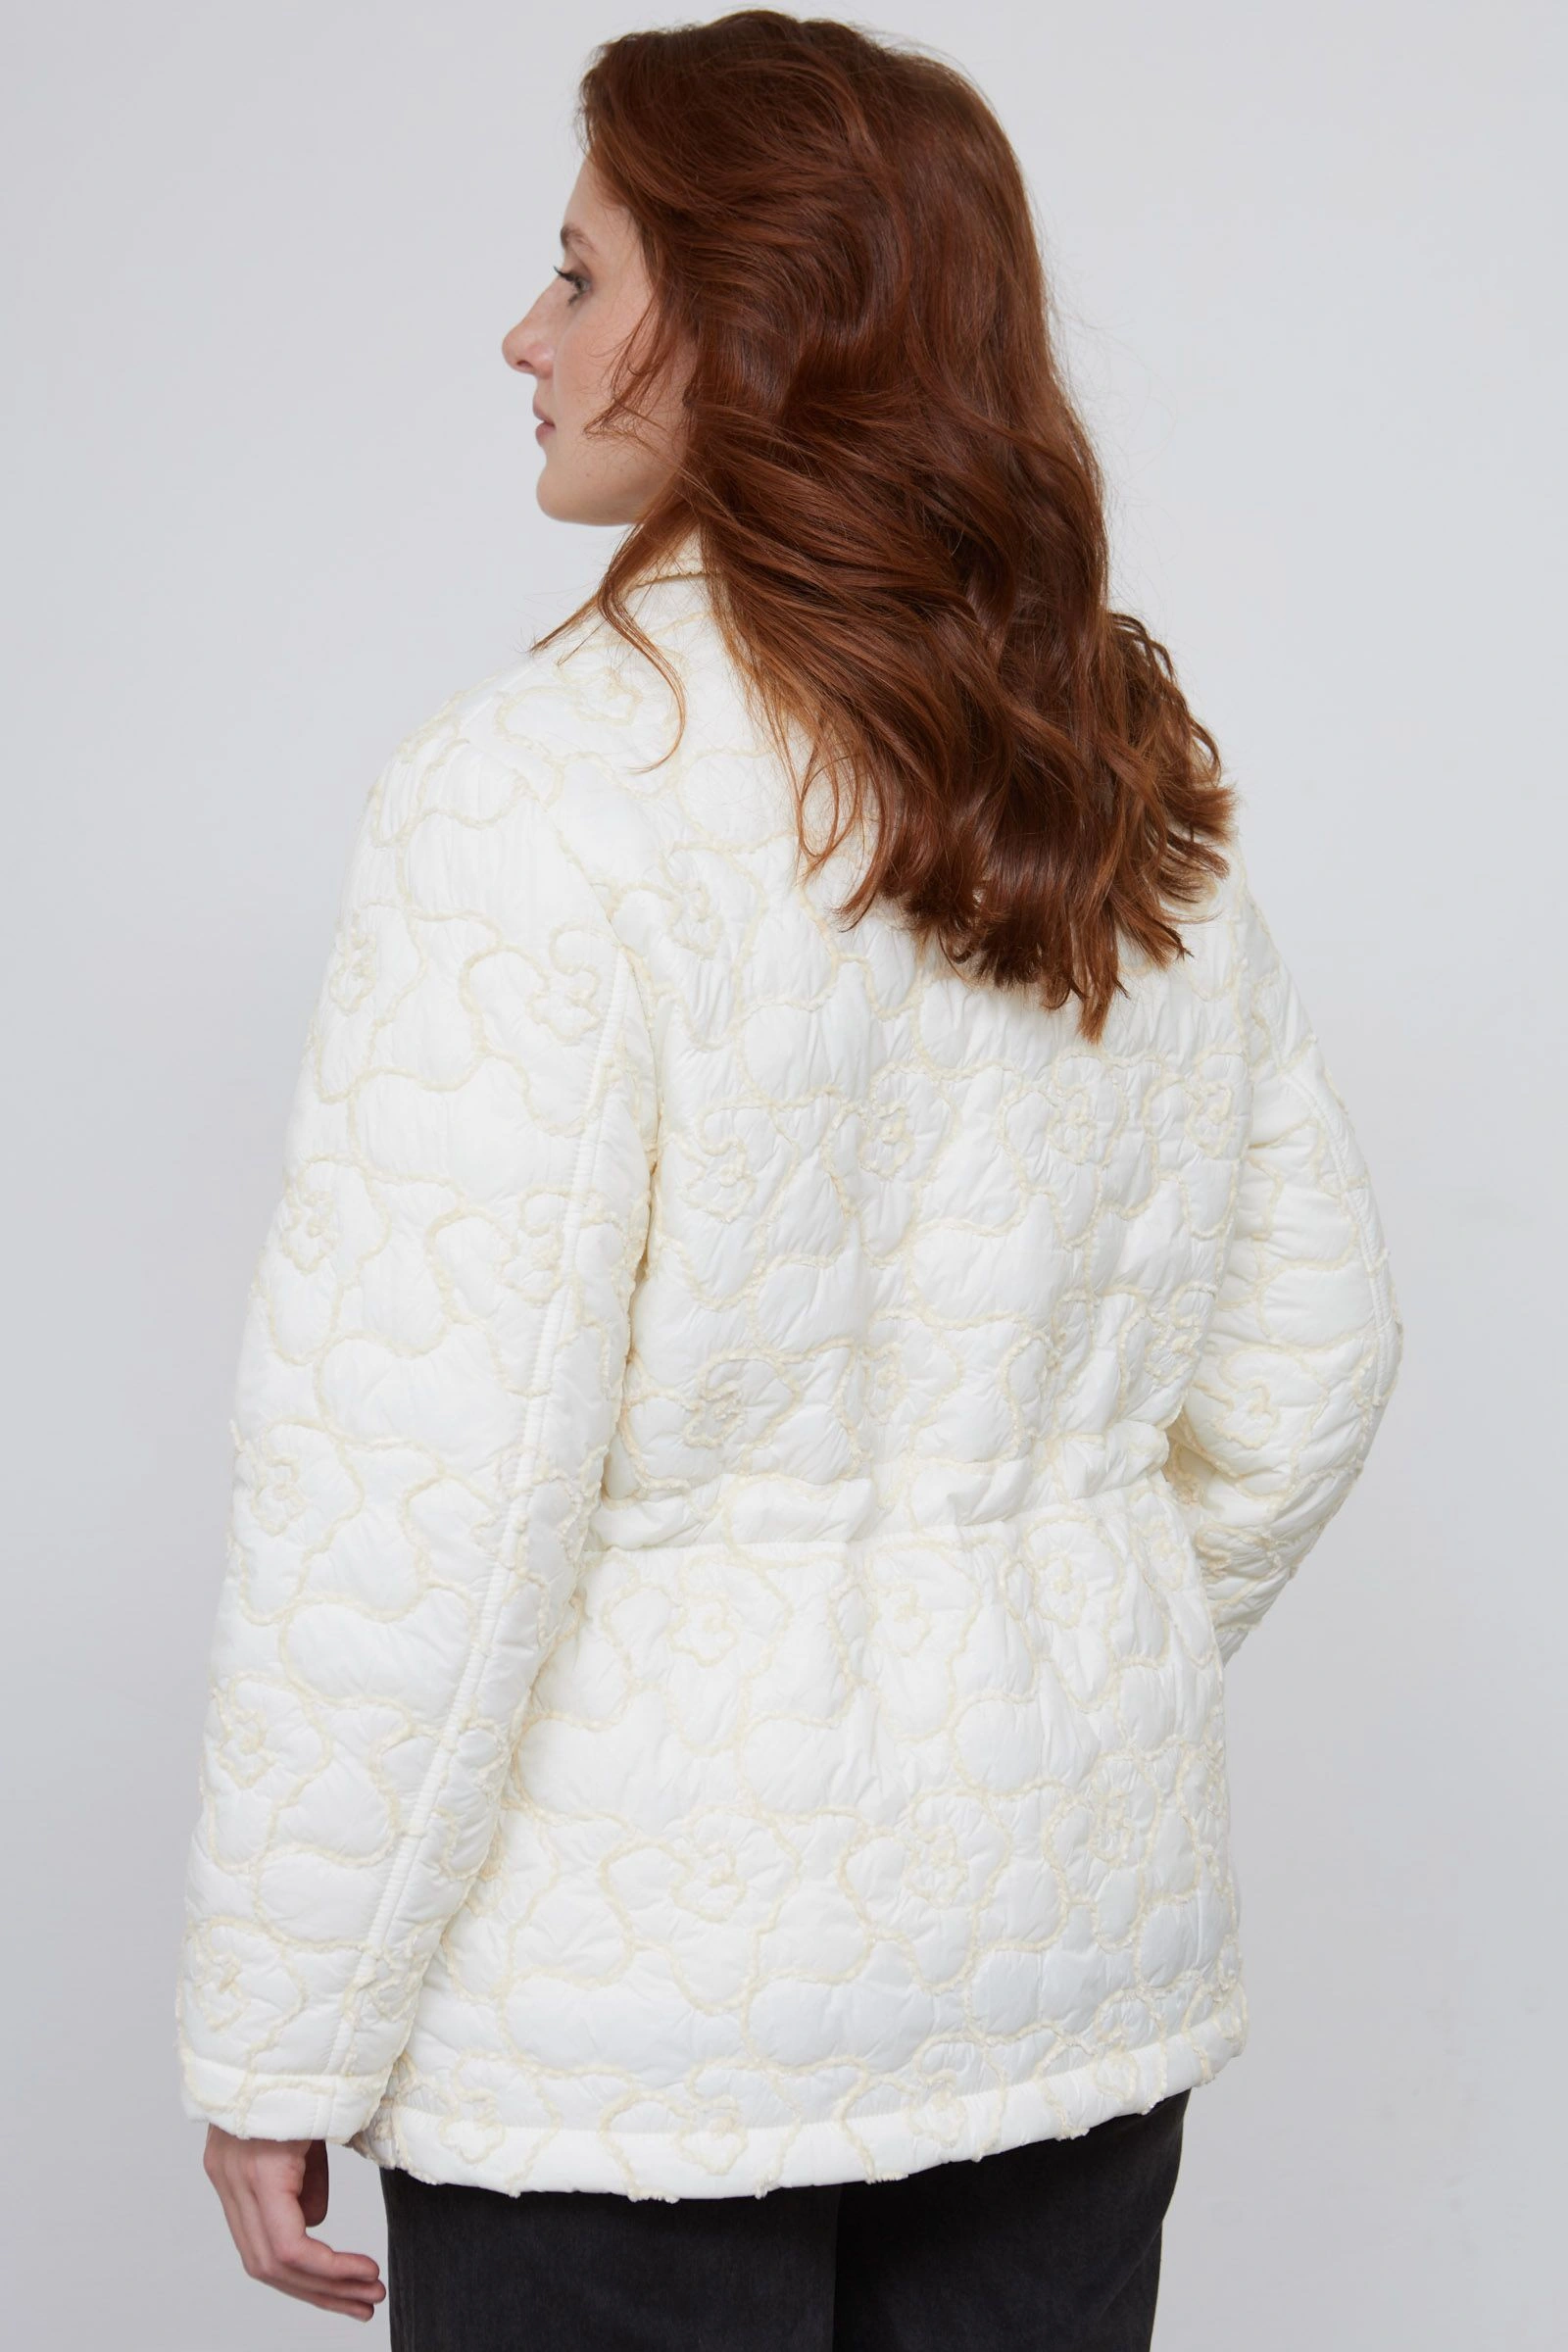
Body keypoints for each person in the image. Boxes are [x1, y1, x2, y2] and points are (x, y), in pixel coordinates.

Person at [172, 12, 1404, 2346]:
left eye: (577, 275)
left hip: (627, 2057)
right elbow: (1309, 1355)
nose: (520, 337)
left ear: (752, 322)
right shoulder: (1106, 768)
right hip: (1060, 1972)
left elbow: (411, 1502)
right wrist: (1027, 1657)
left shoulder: (531, 799)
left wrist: (279, 2028)